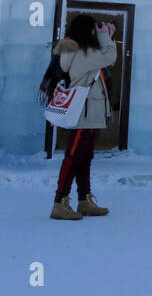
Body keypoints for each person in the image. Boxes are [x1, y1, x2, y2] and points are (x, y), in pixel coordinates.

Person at [50, 14, 118, 221]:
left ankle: (84, 200)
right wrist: (106, 36)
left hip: (88, 112)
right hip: (84, 113)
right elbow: (110, 57)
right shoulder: (81, 53)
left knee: (84, 157)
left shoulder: (75, 50)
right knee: (73, 157)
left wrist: (104, 36)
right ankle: (60, 202)